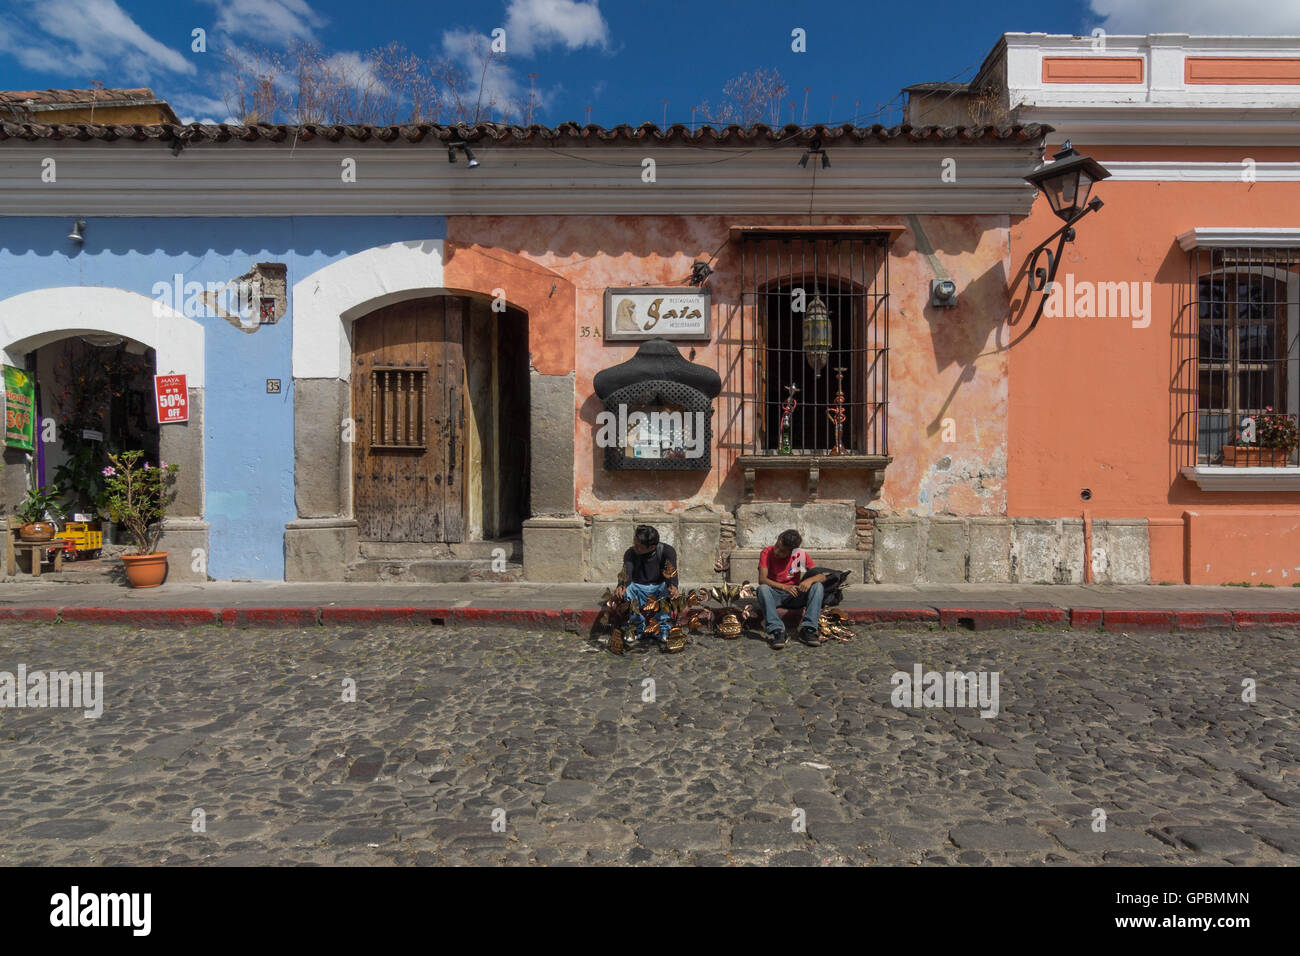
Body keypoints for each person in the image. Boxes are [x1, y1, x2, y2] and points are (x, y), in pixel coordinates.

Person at [757, 529, 826, 649]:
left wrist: (809, 581)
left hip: (794, 595)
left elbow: (822, 576)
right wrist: (784, 587)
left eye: (782, 551)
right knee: (762, 589)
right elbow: (762, 579)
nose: (777, 551)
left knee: (817, 586)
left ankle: (808, 630)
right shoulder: (766, 552)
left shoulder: (799, 555)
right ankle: (777, 630)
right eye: (777, 546)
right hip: (775, 594)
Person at [613, 524, 680, 649]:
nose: (635, 547)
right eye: (634, 543)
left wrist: (673, 586)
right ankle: (636, 627)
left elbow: (672, 573)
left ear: (652, 546)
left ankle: (662, 628)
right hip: (638, 587)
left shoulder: (667, 551)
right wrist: (621, 585)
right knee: (627, 591)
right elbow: (627, 571)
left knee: (668, 591)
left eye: (639, 546)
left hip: (659, 587)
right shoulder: (630, 553)